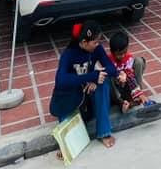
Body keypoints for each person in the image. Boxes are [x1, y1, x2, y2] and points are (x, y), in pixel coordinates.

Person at [49, 21, 123, 149]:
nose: (98, 44)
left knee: (103, 83)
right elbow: (61, 80)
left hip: (88, 95)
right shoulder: (68, 54)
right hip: (72, 97)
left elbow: (111, 68)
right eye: (95, 42)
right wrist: (91, 76)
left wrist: (96, 79)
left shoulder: (97, 49)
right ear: (84, 42)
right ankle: (66, 146)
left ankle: (104, 132)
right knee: (69, 143)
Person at [106, 31, 161, 116]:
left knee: (139, 61)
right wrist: (119, 75)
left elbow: (130, 76)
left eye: (124, 52)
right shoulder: (108, 60)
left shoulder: (128, 58)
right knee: (109, 76)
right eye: (119, 54)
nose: (122, 56)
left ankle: (139, 98)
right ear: (112, 51)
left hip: (129, 88)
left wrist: (138, 92)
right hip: (117, 92)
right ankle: (123, 103)